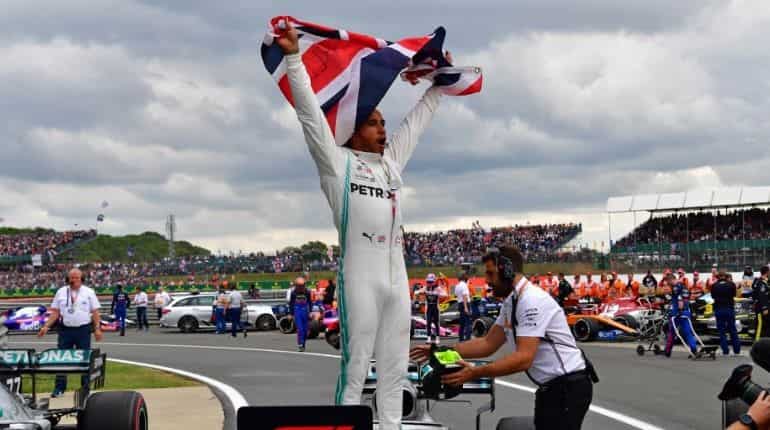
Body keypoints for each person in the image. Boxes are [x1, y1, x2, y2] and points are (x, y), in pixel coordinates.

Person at [275, 22, 445, 428]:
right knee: (355, 372)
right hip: (360, 279)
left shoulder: (391, 165)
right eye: (374, 123)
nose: (384, 129)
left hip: (397, 280)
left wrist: (439, 85)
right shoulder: (337, 164)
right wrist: (294, 58)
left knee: (395, 373)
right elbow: (309, 115)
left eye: (384, 123)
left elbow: (417, 123)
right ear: (353, 132)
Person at [410, 246, 595, 429]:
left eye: (490, 273)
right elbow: (487, 343)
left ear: (507, 270)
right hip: (553, 388)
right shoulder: (512, 302)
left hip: (568, 387)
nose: (487, 280)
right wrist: (440, 350)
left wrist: (475, 372)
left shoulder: (531, 301)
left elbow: (523, 359)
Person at [37, 268, 103, 397]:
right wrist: (46, 326)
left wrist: (97, 328)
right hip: (65, 330)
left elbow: (95, 312)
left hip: (83, 330)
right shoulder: (61, 292)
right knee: (62, 359)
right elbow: (55, 312)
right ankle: (59, 388)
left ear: (81, 279)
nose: (74, 280)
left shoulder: (89, 292)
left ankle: (85, 388)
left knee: (85, 359)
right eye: (72, 278)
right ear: (68, 279)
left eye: (77, 278)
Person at [664, 273, 699, 357]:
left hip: (677, 313)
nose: (668, 284)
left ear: (670, 280)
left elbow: (680, 300)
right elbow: (687, 298)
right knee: (688, 332)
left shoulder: (676, 287)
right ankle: (694, 350)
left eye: (668, 282)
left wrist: (679, 311)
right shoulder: (684, 286)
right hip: (686, 312)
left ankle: (667, 351)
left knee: (672, 332)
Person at [711, 271, 740, 355]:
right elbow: (734, 295)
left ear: (718, 276)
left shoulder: (714, 285)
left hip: (719, 309)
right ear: (725, 276)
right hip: (729, 308)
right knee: (733, 330)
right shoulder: (731, 284)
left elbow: (713, 296)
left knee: (722, 331)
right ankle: (737, 350)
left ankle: (725, 350)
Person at [420, 273, 447, 343]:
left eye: (431, 282)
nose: (429, 283)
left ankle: (437, 338)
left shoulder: (438, 288)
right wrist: (421, 292)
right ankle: (428, 338)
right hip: (428, 308)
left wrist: (438, 294)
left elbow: (445, 294)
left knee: (436, 322)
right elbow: (417, 292)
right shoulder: (425, 288)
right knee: (428, 322)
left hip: (435, 308)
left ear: (434, 281)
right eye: (428, 282)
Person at [289, 277, 311, 352]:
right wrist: (291, 313)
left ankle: (303, 343)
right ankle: (300, 344)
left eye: (302, 285)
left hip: (305, 311)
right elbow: (291, 303)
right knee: (300, 329)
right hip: (297, 310)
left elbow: (310, 302)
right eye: (299, 285)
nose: (300, 287)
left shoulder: (307, 292)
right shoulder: (293, 293)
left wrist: (311, 312)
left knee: (305, 330)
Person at [753, 266, 770, 340]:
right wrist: (765, 308)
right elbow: (762, 296)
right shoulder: (761, 283)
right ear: (767, 272)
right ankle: (757, 342)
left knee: (765, 326)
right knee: (760, 325)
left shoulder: (763, 281)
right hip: (761, 308)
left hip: (763, 307)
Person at [455, 272, 472, 341]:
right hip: (465, 303)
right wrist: (466, 307)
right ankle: (468, 338)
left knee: (462, 322)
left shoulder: (457, 285)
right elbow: (464, 295)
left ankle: (461, 338)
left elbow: (456, 295)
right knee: (468, 322)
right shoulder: (464, 285)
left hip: (460, 303)